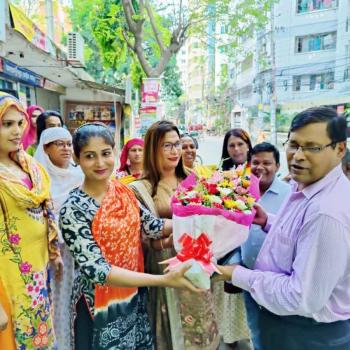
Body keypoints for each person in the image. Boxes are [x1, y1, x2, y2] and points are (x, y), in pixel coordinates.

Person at [218, 107, 350, 349]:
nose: (298, 156)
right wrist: (268, 221)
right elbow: (301, 236)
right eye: (294, 144)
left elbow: (299, 297)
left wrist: (235, 273)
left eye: (313, 147)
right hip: (280, 322)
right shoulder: (306, 186)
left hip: (305, 333)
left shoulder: (327, 212)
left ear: (339, 149)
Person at [59, 123, 199, 350]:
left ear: (114, 152)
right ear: (76, 157)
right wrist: (162, 281)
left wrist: (201, 221)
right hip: (98, 306)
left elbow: (152, 226)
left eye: (105, 153)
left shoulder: (122, 191)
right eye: (89, 156)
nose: (100, 163)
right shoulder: (73, 209)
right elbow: (99, 271)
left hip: (133, 297)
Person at [130, 120, 219, 350]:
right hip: (164, 265)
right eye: (167, 146)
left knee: (199, 319)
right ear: (153, 149)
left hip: (197, 261)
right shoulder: (140, 188)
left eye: (177, 144)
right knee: (170, 328)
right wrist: (173, 238)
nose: (175, 151)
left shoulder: (194, 178)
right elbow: (141, 237)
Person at [0, 92, 63, 349]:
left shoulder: (30, 167)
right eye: (6, 124)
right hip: (7, 279)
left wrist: (53, 251)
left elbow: (46, 211)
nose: (16, 131)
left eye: (19, 123)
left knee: (40, 338)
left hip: (38, 275)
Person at [34, 127, 84, 350]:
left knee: (78, 303)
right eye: (59, 143)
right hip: (49, 254)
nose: (66, 148)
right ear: (45, 149)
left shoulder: (80, 176)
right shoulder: (37, 181)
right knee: (54, 304)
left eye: (68, 143)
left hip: (79, 251)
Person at [241, 142, 291, 350]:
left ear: (278, 166)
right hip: (247, 276)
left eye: (267, 163)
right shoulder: (240, 191)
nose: (260, 167)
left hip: (277, 280)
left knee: (280, 333)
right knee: (255, 329)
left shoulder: (290, 194)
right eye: (255, 162)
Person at [214, 128, 252, 348]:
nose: (236, 149)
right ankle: (229, 335)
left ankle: (246, 335)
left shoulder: (257, 170)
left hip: (252, 242)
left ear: (248, 145)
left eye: (240, 144)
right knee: (229, 292)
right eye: (232, 145)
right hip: (227, 245)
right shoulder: (220, 174)